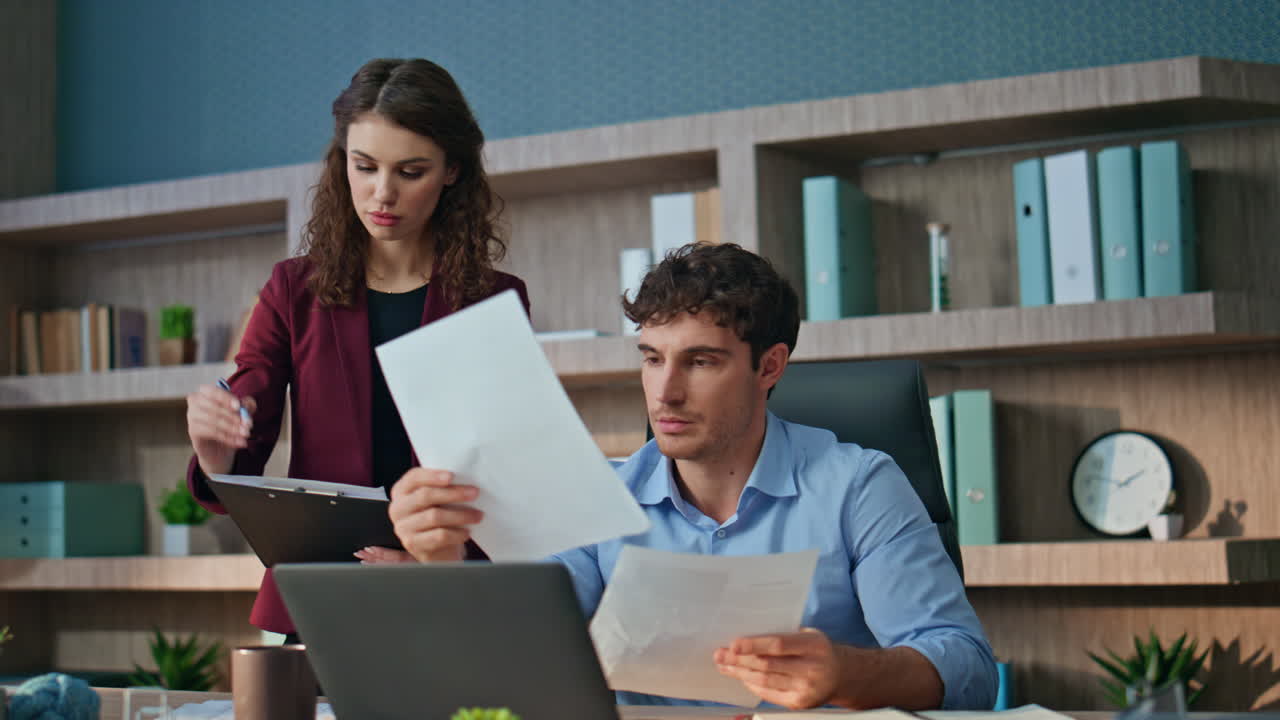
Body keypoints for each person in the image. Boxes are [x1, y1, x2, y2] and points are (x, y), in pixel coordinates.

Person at [388, 242, 996, 710]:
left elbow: (967, 667)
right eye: (652, 359)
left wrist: (847, 672)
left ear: (770, 366)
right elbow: (526, 662)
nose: (667, 392)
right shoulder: (597, 493)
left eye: (700, 361)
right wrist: (444, 564)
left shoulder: (860, 486)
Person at [184, 58, 530, 639]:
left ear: (451, 172)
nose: (382, 193)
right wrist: (215, 447)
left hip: (444, 596)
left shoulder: (495, 300)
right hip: (320, 598)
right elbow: (241, 450)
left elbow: (511, 475)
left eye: (411, 171)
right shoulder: (292, 290)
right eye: (364, 166)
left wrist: (439, 565)